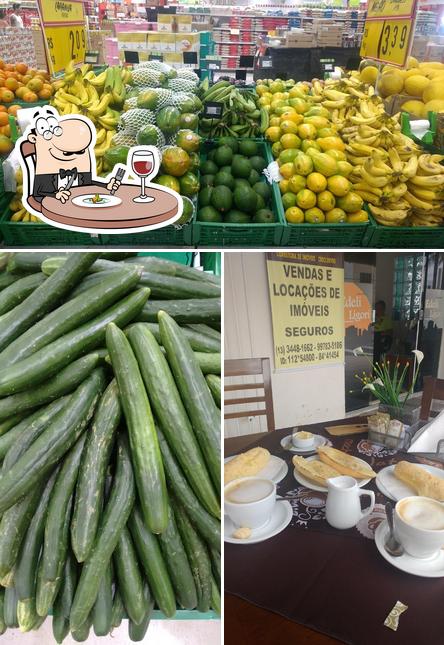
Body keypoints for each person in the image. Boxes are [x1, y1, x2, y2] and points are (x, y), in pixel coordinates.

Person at [23, 108, 121, 204]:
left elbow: (88, 183)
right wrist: (55, 195)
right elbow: (38, 193)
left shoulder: (80, 164)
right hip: (53, 206)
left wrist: (106, 186)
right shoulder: (47, 169)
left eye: (80, 151)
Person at [373, 300, 393, 365]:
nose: (378, 310)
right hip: (372, 339)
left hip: (381, 340)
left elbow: (390, 332)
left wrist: (381, 334)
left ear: (383, 309)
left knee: (379, 359)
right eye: (377, 308)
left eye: (380, 308)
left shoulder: (387, 318)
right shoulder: (373, 318)